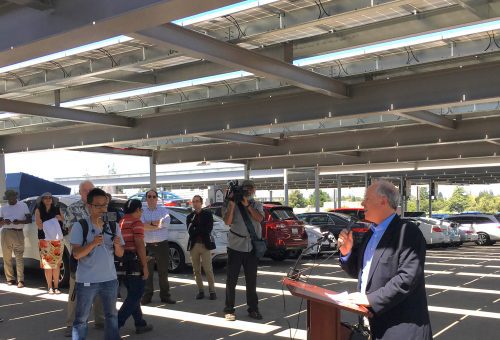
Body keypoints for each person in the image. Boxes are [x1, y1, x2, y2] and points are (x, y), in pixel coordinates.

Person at [338, 180, 432, 340]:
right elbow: (362, 273)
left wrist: (370, 299)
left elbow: (407, 278)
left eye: (367, 198)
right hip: (373, 326)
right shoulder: (371, 234)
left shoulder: (408, 232)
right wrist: (347, 253)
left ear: (383, 200)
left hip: (401, 329)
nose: (362, 203)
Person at [70, 188, 124, 340]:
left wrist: (118, 245)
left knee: (112, 316)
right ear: (89, 206)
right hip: (87, 281)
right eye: (98, 205)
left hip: (110, 280)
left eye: (105, 205)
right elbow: (76, 254)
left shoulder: (113, 226)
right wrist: (93, 243)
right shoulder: (80, 226)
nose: (102, 209)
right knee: (81, 320)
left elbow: (120, 254)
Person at [64, 180, 105, 337]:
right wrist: (87, 246)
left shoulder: (101, 208)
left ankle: (100, 320)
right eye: (85, 190)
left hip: (100, 258)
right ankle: (71, 324)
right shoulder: (72, 209)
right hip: (80, 258)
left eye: (91, 190)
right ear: (80, 192)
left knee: (101, 290)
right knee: (76, 292)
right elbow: (70, 233)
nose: (88, 192)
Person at [222, 180, 264, 321]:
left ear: (254, 190)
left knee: (251, 281)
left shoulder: (256, 204)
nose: (248, 191)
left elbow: (259, 218)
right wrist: (233, 204)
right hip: (235, 247)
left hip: (251, 248)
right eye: (245, 189)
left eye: (251, 189)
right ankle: (229, 310)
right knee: (231, 280)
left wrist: (247, 205)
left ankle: (253, 309)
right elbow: (227, 222)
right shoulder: (232, 203)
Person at [117, 199, 153, 334]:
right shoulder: (136, 222)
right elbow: (139, 243)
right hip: (134, 263)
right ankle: (116, 324)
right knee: (135, 296)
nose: (141, 213)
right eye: (141, 210)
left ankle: (140, 323)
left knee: (133, 295)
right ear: (137, 210)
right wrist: (144, 265)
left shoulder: (122, 222)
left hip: (122, 263)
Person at [141, 189, 176, 305]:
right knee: (148, 273)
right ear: (146, 199)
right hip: (148, 246)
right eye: (149, 196)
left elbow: (166, 223)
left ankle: (165, 296)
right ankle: (147, 296)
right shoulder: (142, 212)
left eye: (154, 197)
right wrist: (156, 224)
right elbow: (142, 226)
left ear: (157, 198)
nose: (151, 199)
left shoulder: (163, 210)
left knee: (163, 272)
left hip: (162, 245)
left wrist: (149, 224)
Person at [186, 195, 216, 300]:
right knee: (196, 270)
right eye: (193, 201)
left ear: (201, 203)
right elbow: (190, 232)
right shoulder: (189, 217)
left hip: (205, 245)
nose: (195, 203)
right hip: (194, 246)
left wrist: (197, 228)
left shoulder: (208, 215)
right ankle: (201, 291)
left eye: (197, 201)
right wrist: (200, 229)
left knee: (208, 269)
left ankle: (212, 291)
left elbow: (208, 229)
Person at [0, 189, 31, 288]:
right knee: (7, 257)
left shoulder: (23, 205)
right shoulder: (3, 208)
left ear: (16, 197)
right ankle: (10, 278)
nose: (11, 199)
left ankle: (20, 280)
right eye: (9, 197)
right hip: (6, 233)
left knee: (19, 257)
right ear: (7, 198)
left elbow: (29, 219)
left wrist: (20, 221)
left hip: (18, 232)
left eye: (12, 197)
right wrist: (5, 222)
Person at [35, 192, 64, 294]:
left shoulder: (57, 209)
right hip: (44, 240)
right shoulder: (38, 210)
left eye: (49, 198)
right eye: (45, 198)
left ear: (52, 200)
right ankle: (49, 287)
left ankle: (56, 287)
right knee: (47, 265)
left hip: (57, 240)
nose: (48, 199)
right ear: (42, 200)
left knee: (56, 264)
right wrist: (48, 223)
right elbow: (38, 224)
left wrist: (59, 218)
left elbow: (64, 220)